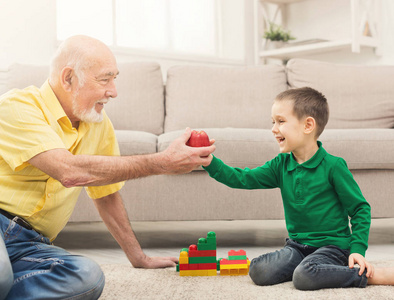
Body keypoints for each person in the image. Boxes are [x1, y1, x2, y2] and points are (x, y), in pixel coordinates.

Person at [0, 35, 215, 300]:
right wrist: (161, 162)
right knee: (1, 274)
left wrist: (139, 257)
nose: (113, 91)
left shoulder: (98, 124)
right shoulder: (17, 106)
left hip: (32, 246)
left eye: (115, 79)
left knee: (86, 277)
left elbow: (106, 193)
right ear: (68, 78)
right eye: (105, 79)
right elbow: (69, 172)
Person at [203, 87, 394, 290]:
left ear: (308, 125)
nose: (273, 128)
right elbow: (243, 179)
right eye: (273, 122)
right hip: (297, 247)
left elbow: (360, 209)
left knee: (304, 277)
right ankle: (316, 270)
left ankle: (371, 276)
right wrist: (210, 162)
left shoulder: (334, 166)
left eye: (281, 121)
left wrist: (357, 250)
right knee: (258, 270)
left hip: (333, 248)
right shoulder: (280, 165)